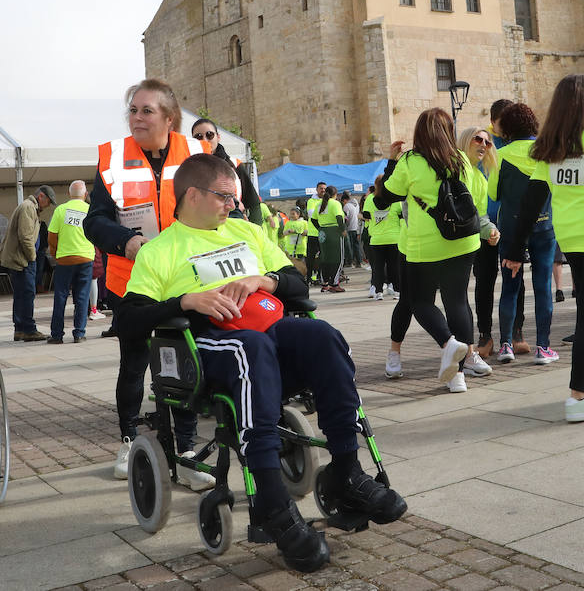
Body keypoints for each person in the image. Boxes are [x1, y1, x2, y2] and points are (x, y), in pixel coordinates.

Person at [116, 152, 407, 573]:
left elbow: (297, 282)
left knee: (322, 335)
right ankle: (271, 499)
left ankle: (347, 470)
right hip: (210, 345)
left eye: (234, 197)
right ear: (193, 195)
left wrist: (262, 279)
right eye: (225, 196)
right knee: (249, 347)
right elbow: (128, 320)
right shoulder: (160, 251)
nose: (234, 204)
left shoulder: (248, 233)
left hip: (269, 332)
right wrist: (185, 300)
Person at [82, 79, 212, 488]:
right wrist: (127, 242)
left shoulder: (197, 153)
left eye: (146, 111)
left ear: (169, 118)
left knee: (184, 361)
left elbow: (228, 201)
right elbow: (94, 221)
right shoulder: (112, 157)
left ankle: (187, 450)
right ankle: (129, 440)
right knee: (134, 363)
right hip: (130, 278)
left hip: (183, 276)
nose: (136, 118)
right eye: (133, 110)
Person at [502, 74, 584, 423]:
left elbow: (531, 202)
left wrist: (515, 249)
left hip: (572, 236)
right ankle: (577, 398)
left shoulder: (552, 144)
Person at [374, 109, 495, 393]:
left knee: (420, 302)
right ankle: (458, 376)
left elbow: (387, 197)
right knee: (457, 302)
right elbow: (477, 202)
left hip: (425, 245)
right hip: (464, 241)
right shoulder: (462, 159)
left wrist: (392, 162)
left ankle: (448, 343)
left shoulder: (411, 161)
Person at [487, 104, 557, 364]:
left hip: (511, 228)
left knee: (509, 287)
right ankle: (543, 347)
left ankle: (506, 344)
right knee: (543, 286)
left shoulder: (500, 155)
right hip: (544, 226)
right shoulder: (547, 152)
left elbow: (493, 194)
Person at [460, 127, 505, 360]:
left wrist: (491, 230)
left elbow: (480, 214)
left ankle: (479, 341)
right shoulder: (457, 169)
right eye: (478, 139)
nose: (483, 145)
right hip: (452, 242)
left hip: (476, 240)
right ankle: (463, 347)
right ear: (466, 140)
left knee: (480, 289)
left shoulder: (480, 175)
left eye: (487, 142)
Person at [1, 185, 54, 342]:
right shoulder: (28, 207)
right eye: (49, 201)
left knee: (21, 295)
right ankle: (29, 329)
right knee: (27, 294)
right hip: (23, 260)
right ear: (41, 196)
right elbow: (25, 236)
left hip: (20, 259)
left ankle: (20, 329)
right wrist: (32, 257)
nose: (49, 205)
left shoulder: (28, 207)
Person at [47, 181, 94, 344]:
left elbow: (52, 236)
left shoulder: (60, 210)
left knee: (60, 296)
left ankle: (57, 335)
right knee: (82, 297)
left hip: (65, 259)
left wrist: (55, 254)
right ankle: (79, 333)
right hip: (86, 258)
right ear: (85, 195)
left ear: (68, 194)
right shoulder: (90, 211)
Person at [362, 177, 402, 300]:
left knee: (378, 267)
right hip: (394, 238)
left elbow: (366, 216)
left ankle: (378, 292)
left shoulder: (369, 199)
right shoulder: (395, 199)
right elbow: (402, 216)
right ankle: (396, 291)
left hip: (376, 239)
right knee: (394, 267)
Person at [312, 186, 345, 291]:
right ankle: (334, 284)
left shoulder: (318, 204)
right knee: (338, 259)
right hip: (334, 231)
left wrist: (320, 229)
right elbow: (339, 217)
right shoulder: (335, 203)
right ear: (335, 194)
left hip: (323, 232)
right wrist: (342, 230)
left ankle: (324, 283)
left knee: (325, 258)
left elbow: (313, 220)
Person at [342, 191, 365, 269]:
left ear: (344, 200)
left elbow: (345, 218)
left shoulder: (346, 206)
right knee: (356, 246)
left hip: (349, 228)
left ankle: (350, 262)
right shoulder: (355, 205)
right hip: (355, 228)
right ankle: (359, 262)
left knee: (350, 247)